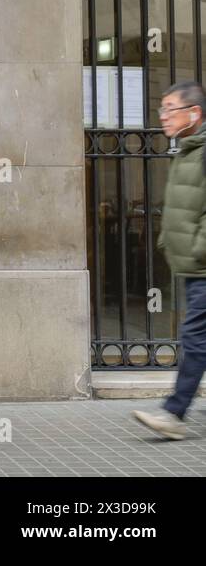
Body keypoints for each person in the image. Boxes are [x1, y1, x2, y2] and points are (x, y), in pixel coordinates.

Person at [134, 81, 206, 439]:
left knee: (194, 339)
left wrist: (197, 247)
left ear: (193, 113)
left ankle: (173, 414)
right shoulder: (188, 149)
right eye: (161, 109)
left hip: (203, 264)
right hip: (195, 265)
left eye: (170, 108)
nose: (162, 116)